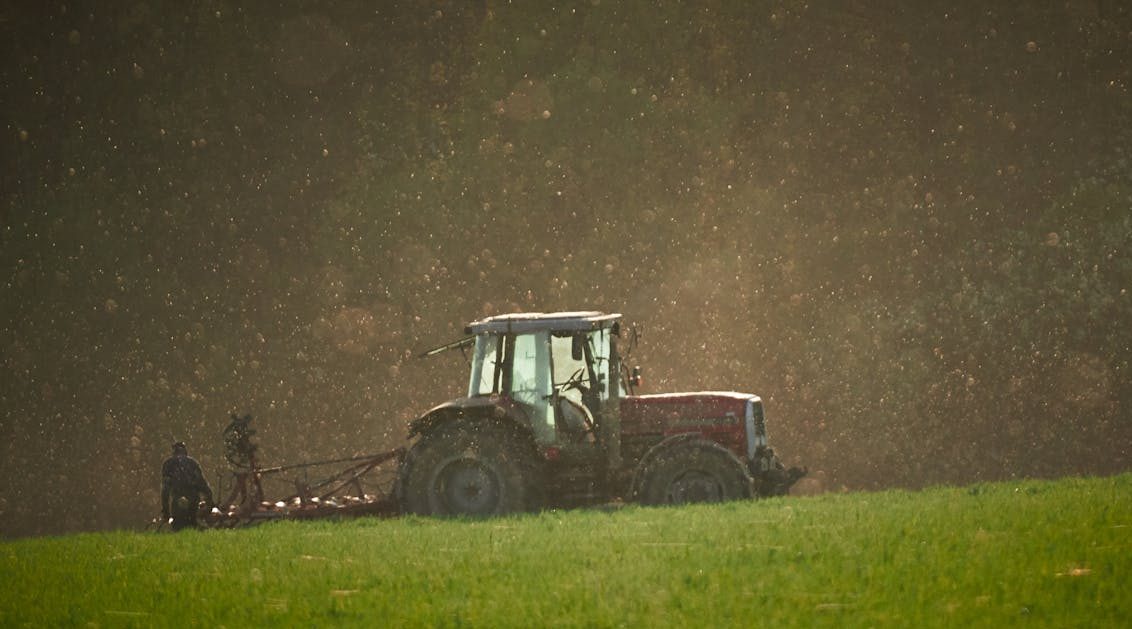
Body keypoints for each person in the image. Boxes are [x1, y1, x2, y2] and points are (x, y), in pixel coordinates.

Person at [160, 441, 214, 531]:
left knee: (178, 528)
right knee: (193, 525)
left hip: (177, 500)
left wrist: (166, 511)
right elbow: (202, 484)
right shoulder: (192, 463)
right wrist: (210, 503)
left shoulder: (168, 464)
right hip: (193, 500)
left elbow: (165, 490)